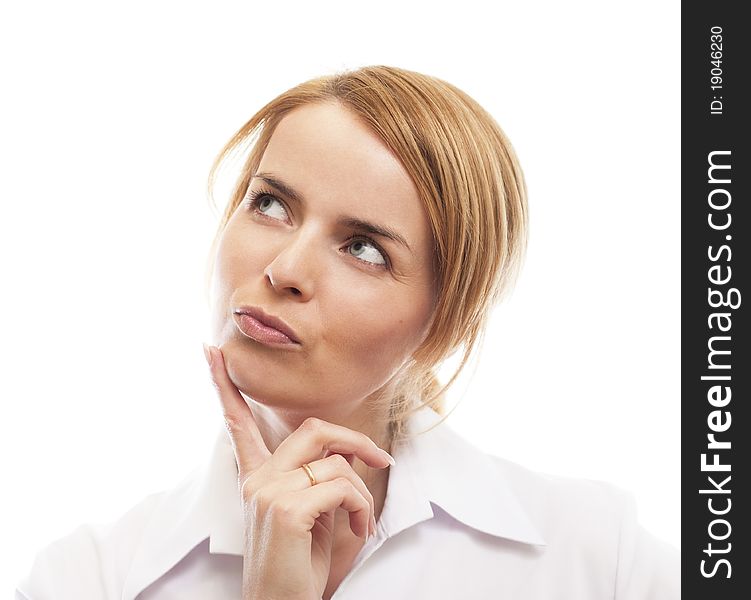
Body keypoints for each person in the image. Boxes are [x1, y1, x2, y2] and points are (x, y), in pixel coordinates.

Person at [16, 65, 679, 599]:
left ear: (443, 324)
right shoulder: (86, 579)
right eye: (270, 203)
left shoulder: (594, 558)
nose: (283, 270)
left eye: (363, 248)